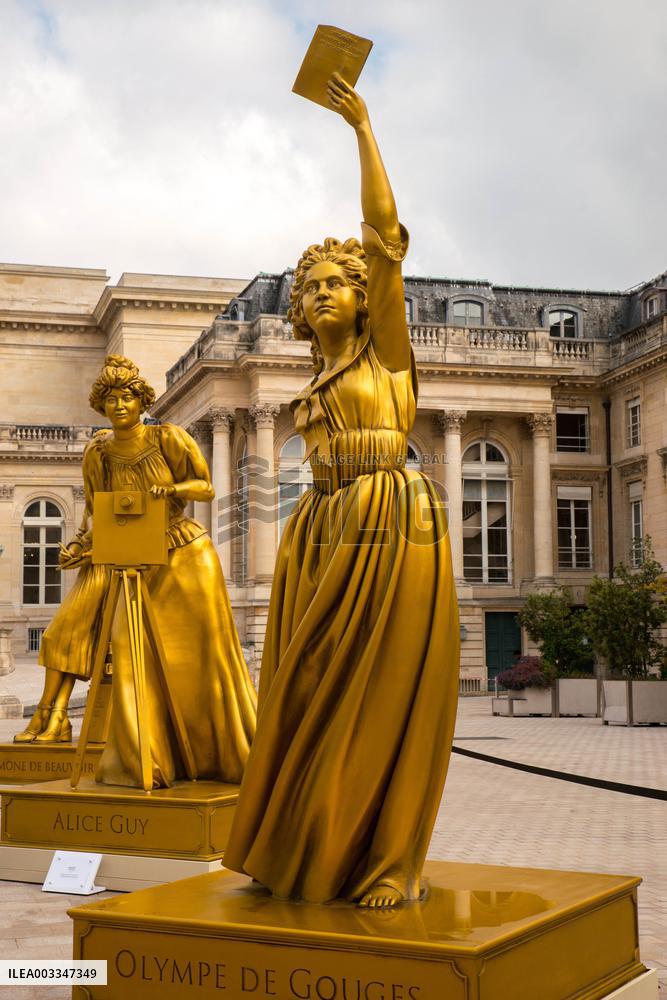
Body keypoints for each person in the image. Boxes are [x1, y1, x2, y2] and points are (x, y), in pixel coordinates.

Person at [223, 75, 460, 908]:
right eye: (310, 286)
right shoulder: (314, 378)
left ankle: (383, 857)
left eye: (337, 282)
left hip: (391, 522)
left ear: (366, 300)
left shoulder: (387, 355)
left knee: (380, 688)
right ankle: (306, 841)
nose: (323, 291)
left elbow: (385, 235)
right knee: (308, 684)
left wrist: (361, 126)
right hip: (322, 525)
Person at [15, 355, 257, 790]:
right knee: (102, 642)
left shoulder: (170, 438)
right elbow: (94, 512)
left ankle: (213, 753)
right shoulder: (99, 451)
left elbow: (205, 486)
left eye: (127, 396)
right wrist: (80, 545)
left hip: (181, 550)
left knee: (203, 655)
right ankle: (139, 757)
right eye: (110, 399)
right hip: (125, 554)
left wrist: (174, 490)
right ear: (101, 405)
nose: (119, 405)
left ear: (141, 400)